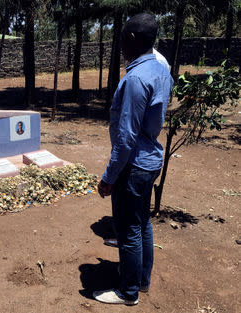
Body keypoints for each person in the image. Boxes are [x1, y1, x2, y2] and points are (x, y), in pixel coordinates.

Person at [93, 13, 174, 306]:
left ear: (130, 39)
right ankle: (141, 280)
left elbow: (126, 139)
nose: (120, 47)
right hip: (151, 159)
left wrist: (108, 178)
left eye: (121, 40)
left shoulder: (136, 78)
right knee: (142, 224)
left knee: (128, 230)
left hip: (134, 165)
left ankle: (128, 292)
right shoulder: (161, 70)